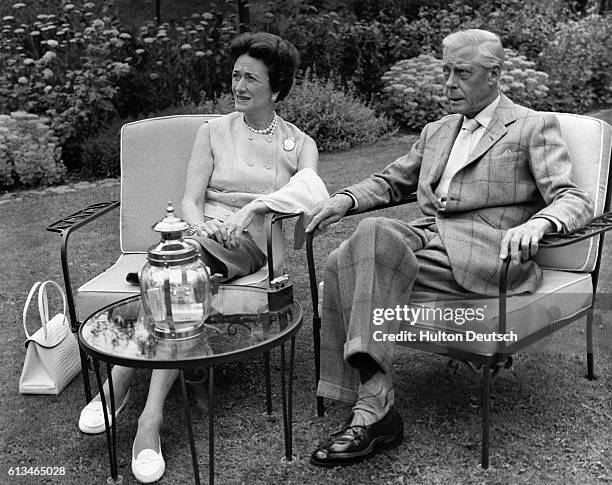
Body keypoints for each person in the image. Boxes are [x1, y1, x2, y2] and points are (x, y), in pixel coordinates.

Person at [305, 28, 593, 467]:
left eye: (462, 73)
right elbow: (389, 181)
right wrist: (344, 199)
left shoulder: (533, 126)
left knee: (355, 251)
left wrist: (541, 222)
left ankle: (370, 409)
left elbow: (573, 197)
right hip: (431, 239)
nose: (449, 84)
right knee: (356, 247)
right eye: (445, 73)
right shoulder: (438, 130)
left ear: (494, 75)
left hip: (490, 252)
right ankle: (373, 404)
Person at [78, 32, 328, 484]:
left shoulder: (299, 142)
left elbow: (311, 192)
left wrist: (254, 207)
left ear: (277, 88)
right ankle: (148, 418)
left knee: (171, 277)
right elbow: (191, 199)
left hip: (251, 243)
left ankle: (121, 384)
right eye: (236, 75)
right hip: (202, 238)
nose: (239, 85)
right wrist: (199, 227)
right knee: (181, 286)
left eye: (251, 77)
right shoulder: (211, 132)